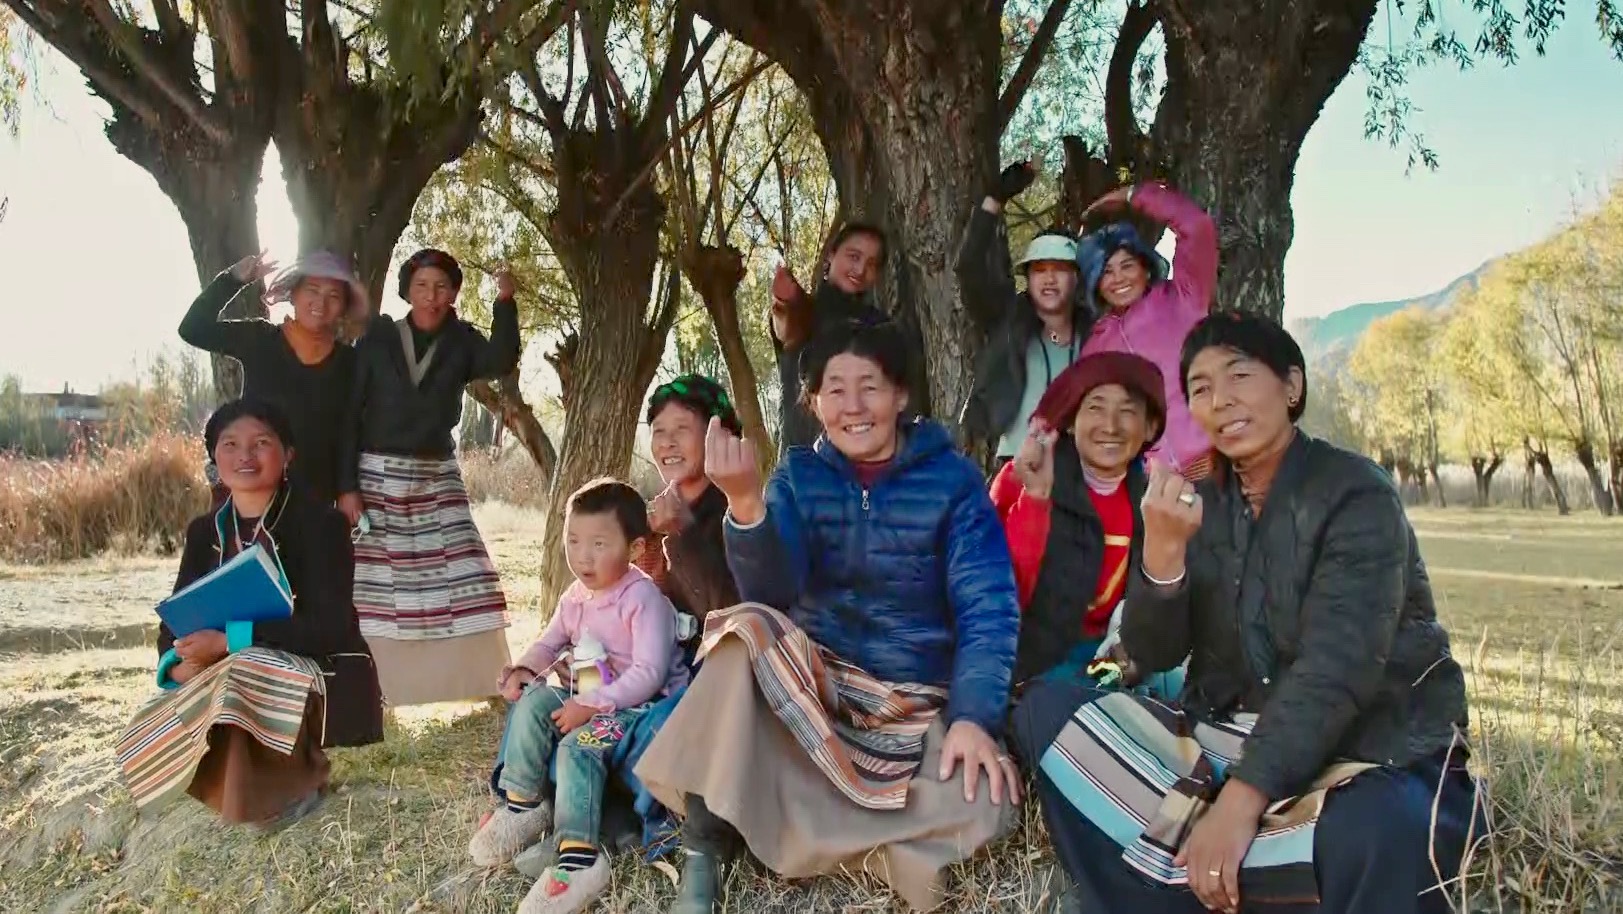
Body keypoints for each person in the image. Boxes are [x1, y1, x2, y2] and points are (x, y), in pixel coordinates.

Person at [1010, 312, 1481, 914]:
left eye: (1239, 375)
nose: (1220, 399)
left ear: (1291, 386)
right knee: (1047, 712)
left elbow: (1336, 669)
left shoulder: (1355, 494)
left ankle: (1205, 863)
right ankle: (1218, 874)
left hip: (1358, 751)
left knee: (1380, 832)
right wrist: (1162, 556)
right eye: (1201, 388)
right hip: (1224, 737)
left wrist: (1239, 804)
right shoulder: (1201, 500)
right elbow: (1152, 654)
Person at [636, 321, 1022, 914]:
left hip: (912, 699)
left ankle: (796, 830)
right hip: (818, 683)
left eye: (870, 386)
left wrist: (974, 716)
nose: (853, 407)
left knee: (985, 799)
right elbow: (769, 590)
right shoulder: (798, 475)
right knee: (743, 632)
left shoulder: (954, 482)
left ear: (900, 396)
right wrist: (744, 503)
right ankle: (706, 845)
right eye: (834, 390)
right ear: (814, 403)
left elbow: (988, 605)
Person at [115, 398, 383, 828]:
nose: (245, 455)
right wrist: (176, 661)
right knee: (162, 702)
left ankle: (293, 785)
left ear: (288, 453)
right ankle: (234, 789)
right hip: (225, 670)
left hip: (319, 672)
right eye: (230, 444)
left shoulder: (323, 526)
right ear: (214, 457)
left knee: (245, 665)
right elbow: (174, 620)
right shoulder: (204, 533)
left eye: (261, 443)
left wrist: (230, 641)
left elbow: (330, 629)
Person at [470, 479, 688, 914]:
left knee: (578, 745)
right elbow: (550, 642)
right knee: (533, 703)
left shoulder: (642, 597)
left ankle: (578, 856)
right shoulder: (576, 596)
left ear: (632, 548)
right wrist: (524, 669)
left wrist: (592, 706)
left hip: (638, 708)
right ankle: (522, 805)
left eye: (598, 543)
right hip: (587, 693)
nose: (581, 555)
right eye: (573, 540)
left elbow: (649, 673)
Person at [336, 249, 522, 706]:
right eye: (422, 286)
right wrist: (347, 486)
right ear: (408, 290)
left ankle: (483, 681)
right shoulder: (378, 337)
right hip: (376, 471)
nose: (431, 296)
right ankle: (373, 689)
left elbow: (500, 358)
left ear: (454, 292)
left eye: (441, 287)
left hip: (436, 473)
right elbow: (348, 413)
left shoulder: (461, 341)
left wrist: (505, 300)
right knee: (376, 581)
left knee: (464, 569)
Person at [989, 350, 1178, 695]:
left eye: (1127, 411)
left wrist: (1129, 659)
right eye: (1095, 407)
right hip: (1035, 664)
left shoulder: (1152, 498)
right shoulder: (1027, 479)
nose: (1110, 426)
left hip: (1107, 660)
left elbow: (1161, 610)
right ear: (1072, 421)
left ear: (1150, 427)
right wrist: (1034, 499)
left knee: (1178, 680)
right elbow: (999, 590)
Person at [178, 250, 369, 505]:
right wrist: (232, 280)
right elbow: (193, 329)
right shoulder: (260, 339)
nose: (320, 303)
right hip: (254, 495)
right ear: (294, 293)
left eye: (333, 295)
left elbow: (349, 430)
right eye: (312, 290)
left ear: (343, 306)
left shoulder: (349, 362)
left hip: (318, 501)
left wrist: (347, 490)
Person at [1076, 181, 1219, 480]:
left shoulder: (1184, 298)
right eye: (1106, 272)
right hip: (1156, 492)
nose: (1119, 279)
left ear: (1145, 266)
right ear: (1095, 284)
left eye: (1127, 265)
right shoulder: (1095, 348)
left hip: (1219, 469)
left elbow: (1197, 226)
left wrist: (1134, 195)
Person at [958, 161, 1093, 465]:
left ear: (1077, 277)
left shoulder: (1095, 328)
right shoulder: (1008, 316)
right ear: (1028, 278)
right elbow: (969, 269)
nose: (1048, 278)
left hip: (1080, 469)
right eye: (1039, 269)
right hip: (1014, 465)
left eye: (1059, 269)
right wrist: (994, 200)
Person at [769, 222, 890, 451]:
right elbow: (786, 328)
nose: (861, 269)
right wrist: (783, 303)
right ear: (831, 255)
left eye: (871, 264)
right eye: (854, 256)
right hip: (802, 457)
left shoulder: (880, 327)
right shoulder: (805, 310)